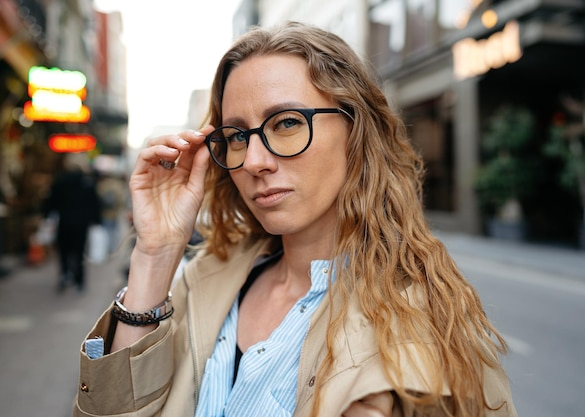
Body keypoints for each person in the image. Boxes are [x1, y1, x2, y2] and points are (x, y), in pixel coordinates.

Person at [73, 22, 517, 417]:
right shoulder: (200, 283)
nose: (254, 161)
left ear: (356, 131)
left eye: (286, 123)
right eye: (238, 135)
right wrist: (156, 254)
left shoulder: (421, 326)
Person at [43, 152, 101, 292]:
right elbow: (95, 203)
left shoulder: (60, 180)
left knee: (64, 251)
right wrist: (96, 220)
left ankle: (64, 274)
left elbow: (51, 202)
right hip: (82, 223)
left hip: (64, 222)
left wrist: (47, 216)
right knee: (79, 251)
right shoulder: (87, 182)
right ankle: (79, 280)